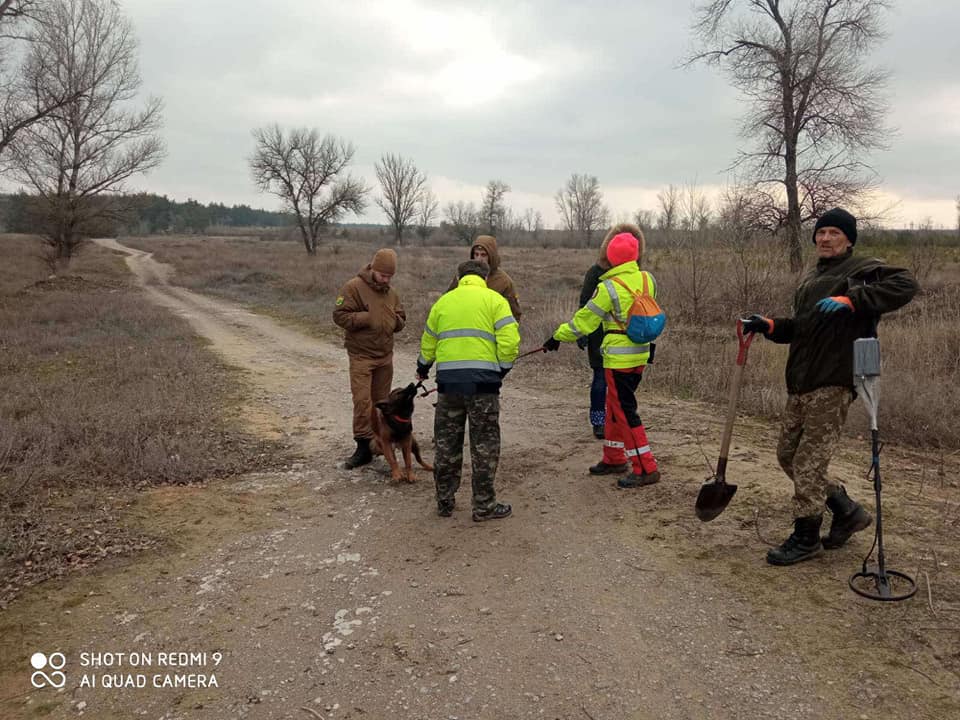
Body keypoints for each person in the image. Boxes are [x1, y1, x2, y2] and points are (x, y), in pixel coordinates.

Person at [743, 207, 918, 566]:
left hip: (833, 380)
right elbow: (803, 328)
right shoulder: (813, 277)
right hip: (802, 380)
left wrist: (853, 300)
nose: (825, 239)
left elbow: (906, 284)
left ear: (849, 239)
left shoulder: (860, 270)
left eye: (834, 233)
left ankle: (806, 537)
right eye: (820, 233)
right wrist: (770, 325)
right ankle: (846, 509)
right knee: (788, 456)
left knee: (808, 461)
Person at [543, 231, 661, 489]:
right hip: (641, 352)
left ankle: (646, 468)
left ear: (609, 258)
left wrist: (557, 336)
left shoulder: (608, 288)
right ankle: (614, 458)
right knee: (615, 408)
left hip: (619, 358)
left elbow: (584, 322)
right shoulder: (647, 279)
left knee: (625, 411)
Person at [418, 259, 520, 521]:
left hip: (448, 385)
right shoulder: (495, 301)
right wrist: (503, 369)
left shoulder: (443, 302)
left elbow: (429, 340)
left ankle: (444, 501)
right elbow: (509, 341)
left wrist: (423, 366)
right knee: (484, 445)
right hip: (483, 386)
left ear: (459, 276)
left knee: (446, 445)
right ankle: (484, 505)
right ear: (485, 277)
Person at [333, 248, 406, 469]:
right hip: (361, 355)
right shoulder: (353, 287)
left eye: (390, 277)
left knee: (382, 403)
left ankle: (380, 443)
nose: (386, 280)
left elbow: (401, 316)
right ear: (373, 269)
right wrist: (366, 318)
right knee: (362, 401)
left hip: (385, 356)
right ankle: (363, 446)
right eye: (383, 275)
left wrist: (396, 321)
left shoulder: (391, 293)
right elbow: (339, 315)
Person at [577, 223, 645, 440]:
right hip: (598, 334)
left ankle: (617, 420)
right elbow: (585, 304)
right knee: (600, 379)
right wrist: (582, 332)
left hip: (629, 337)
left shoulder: (641, 276)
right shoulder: (596, 273)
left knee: (620, 386)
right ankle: (598, 421)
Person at [447, 235, 522, 322]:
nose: (479, 259)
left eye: (483, 255)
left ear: (491, 256)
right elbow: (447, 301)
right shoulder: (462, 276)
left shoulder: (504, 281)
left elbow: (514, 314)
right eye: (476, 254)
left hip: (489, 329)